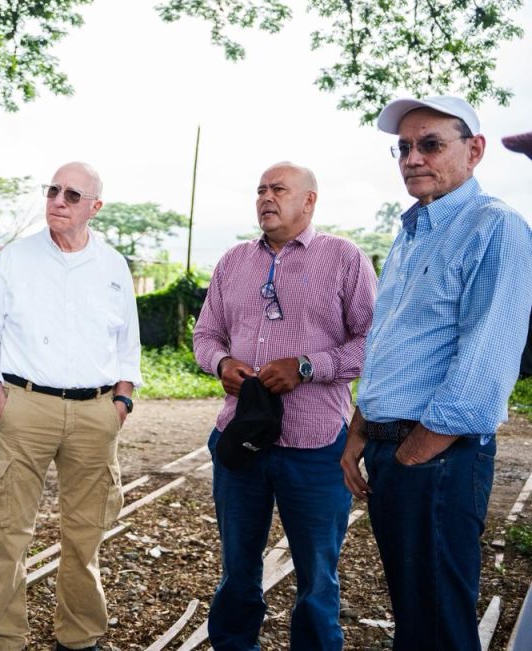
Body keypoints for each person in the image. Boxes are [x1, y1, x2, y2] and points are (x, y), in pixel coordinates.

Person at [341, 96, 532, 649]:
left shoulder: (494, 226)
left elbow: (487, 360)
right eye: (404, 148)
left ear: (474, 151)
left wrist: (413, 455)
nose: (413, 159)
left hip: (437, 455)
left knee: (440, 622)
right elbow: (391, 343)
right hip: (395, 447)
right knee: (415, 613)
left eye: (430, 144)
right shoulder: (412, 231)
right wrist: (361, 429)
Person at [193, 162, 377, 650]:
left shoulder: (344, 258)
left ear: (309, 200)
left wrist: (308, 366)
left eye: (278, 189)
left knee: (316, 574)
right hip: (239, 438)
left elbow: (372, 342)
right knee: (237, 566)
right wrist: (221, 363)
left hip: (315, 446)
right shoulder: (234, 260)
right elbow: (205, 334)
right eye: (260, 190)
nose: (266, 198)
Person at [0, 162, 142, 651]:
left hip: (96, 412)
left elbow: (128, 341)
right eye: (52, 191)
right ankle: (5, 638)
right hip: (25, 408)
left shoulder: (112, 265)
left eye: (72, 195)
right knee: (9, 532)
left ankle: (79, 637)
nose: (58, 201)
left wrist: (121, 401)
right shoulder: (15, 259)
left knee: (86, 535)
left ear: (95, 207)